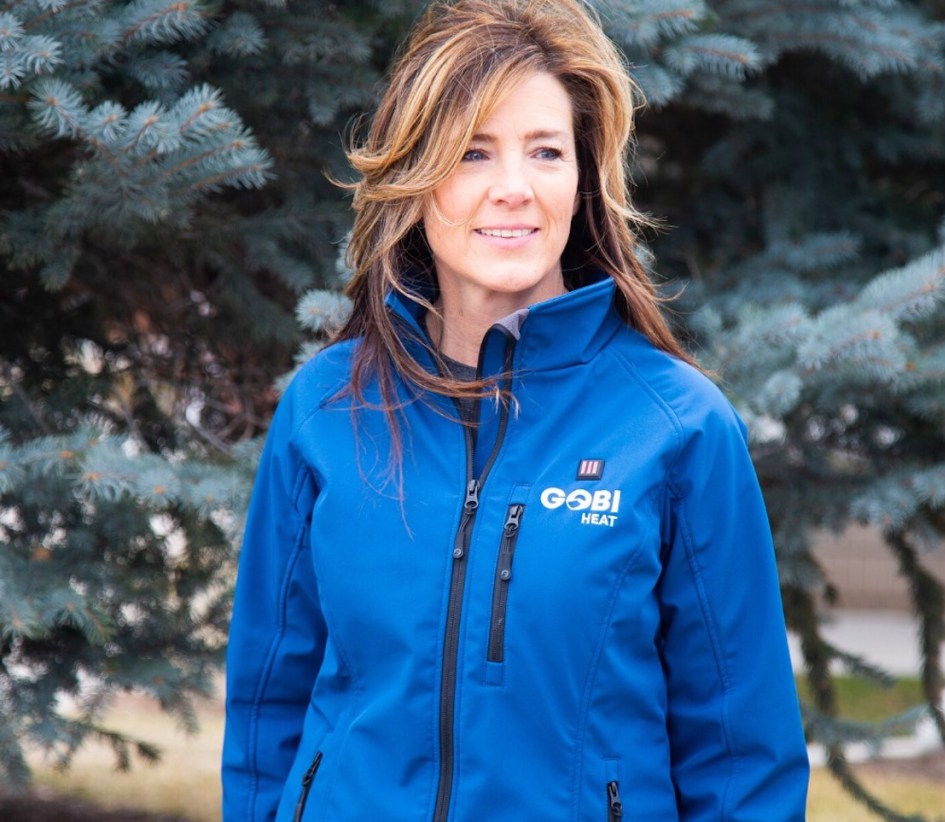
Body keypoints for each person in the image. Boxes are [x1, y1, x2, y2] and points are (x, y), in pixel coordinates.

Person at [221, 0, 810, 819]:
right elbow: (266, 708)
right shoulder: (326, 407)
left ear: (583, 178)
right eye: (472, 152)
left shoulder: (678, 428)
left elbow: (743, 760)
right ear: (415, 176)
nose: (513, 190)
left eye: (545, 152)